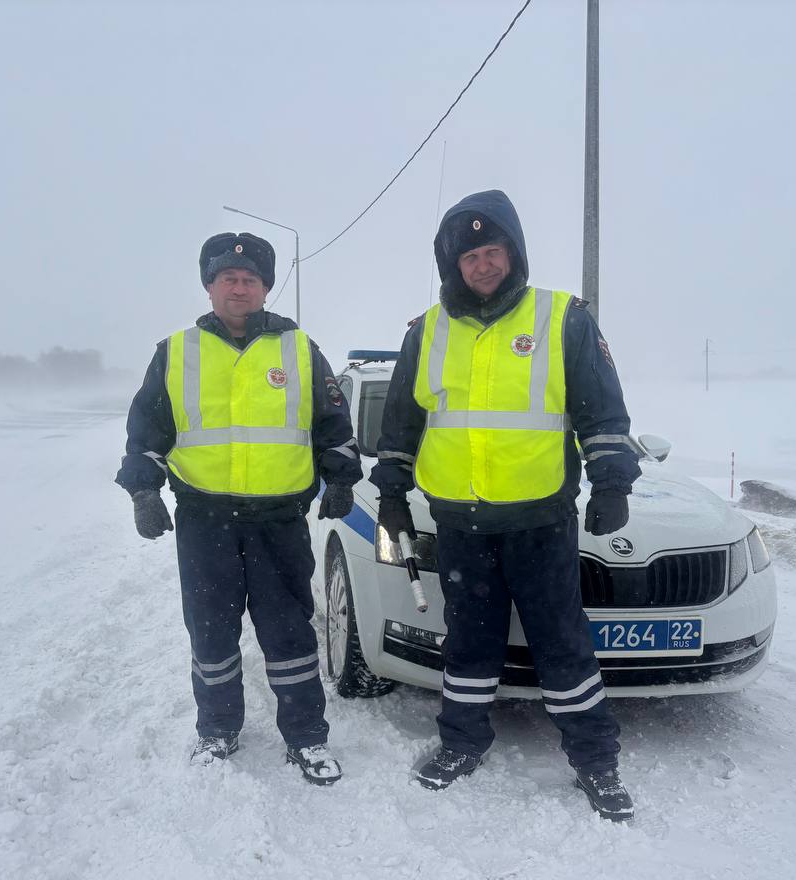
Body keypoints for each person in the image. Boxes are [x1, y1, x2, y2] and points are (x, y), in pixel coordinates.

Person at [371, 190, 641, 820]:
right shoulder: (426, 332)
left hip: (540, 520)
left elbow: (601, 411)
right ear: (453, 265)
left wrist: (611, 483)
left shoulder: (562, 318)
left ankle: (595, 761)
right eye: (470, 256)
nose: (483, 264)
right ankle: (462, 744)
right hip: (460, 523)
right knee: (468, 641)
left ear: (514, 252)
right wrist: (391, 496)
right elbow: (402, 426)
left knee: (562, 642)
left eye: (492, 250)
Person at [115, 232, 361, 786]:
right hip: (205, 520)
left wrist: (342, 477)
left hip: (278, 520)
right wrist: (143, 491)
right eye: (228, 278)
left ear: (265, 288)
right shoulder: (175, 352)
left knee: (289, 633)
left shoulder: (299, 348)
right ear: (210, 286)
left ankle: (307, 735)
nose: (239, 287)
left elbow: (332, 422)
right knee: (211, 632)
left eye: (250, 279)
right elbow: (147, 431)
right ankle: (218, 728)